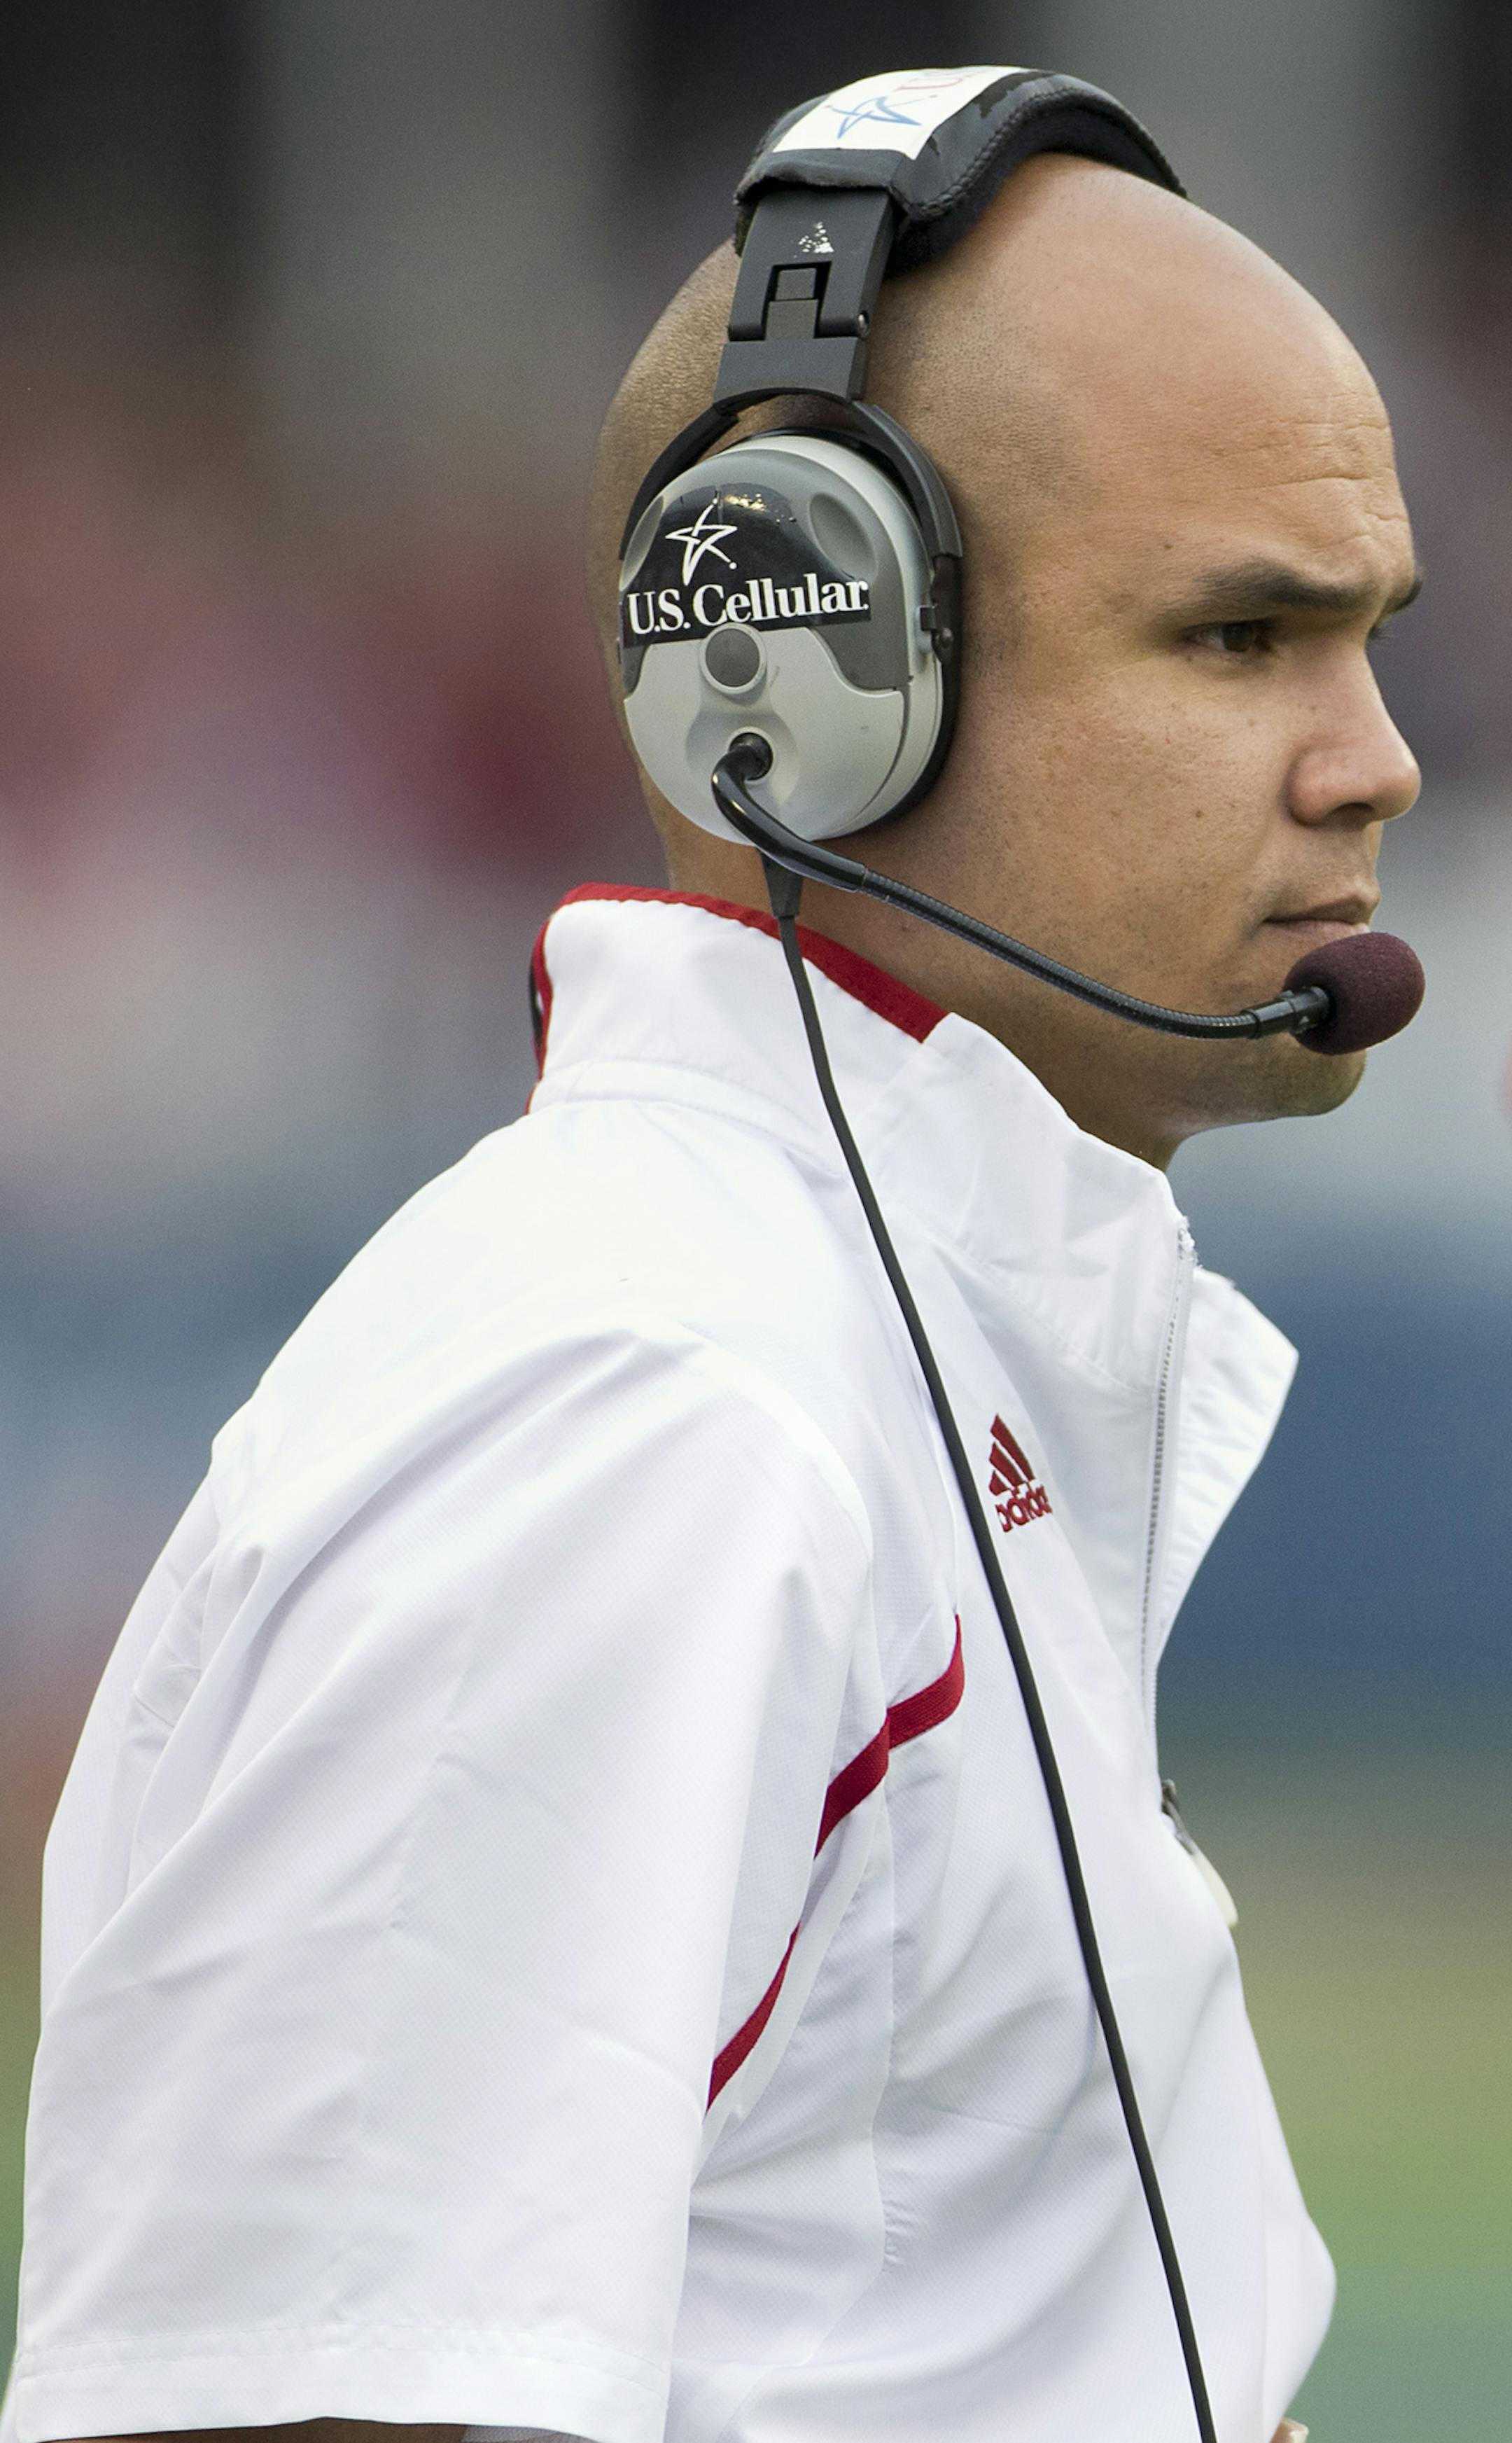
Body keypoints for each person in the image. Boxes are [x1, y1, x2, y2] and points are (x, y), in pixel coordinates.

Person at [3, 75, 1418, 2443]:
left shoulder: (838, 1344)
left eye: (1368, 638)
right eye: (1238, 635)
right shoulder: (645, 1403)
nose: (1373, 758)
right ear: (803, 672)